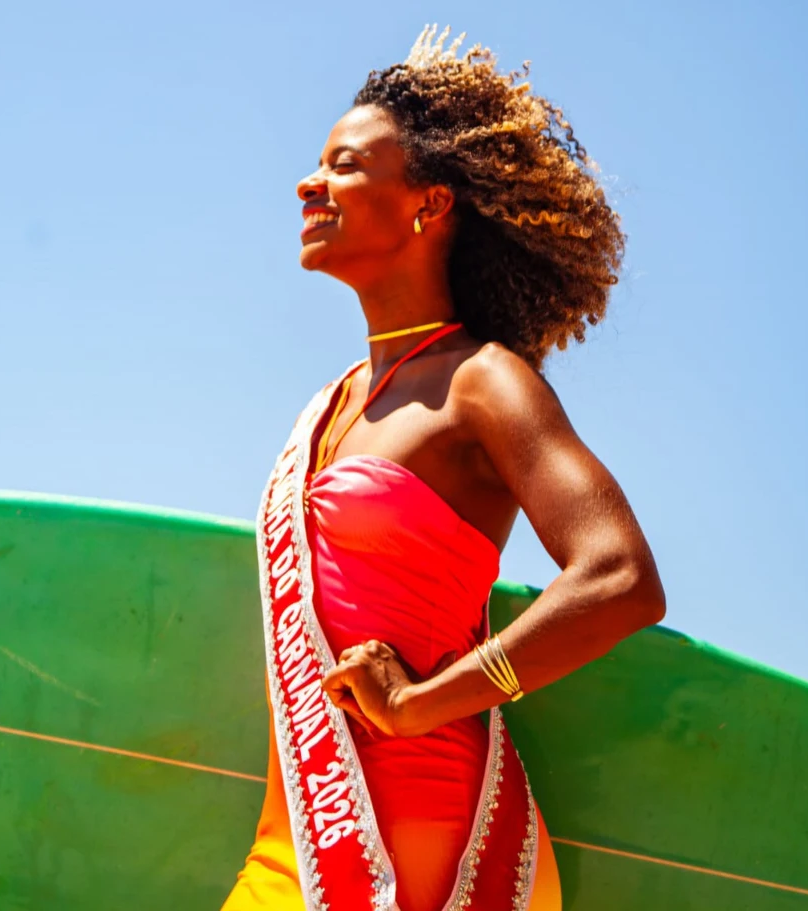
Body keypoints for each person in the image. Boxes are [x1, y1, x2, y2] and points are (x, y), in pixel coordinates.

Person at [223, 25, 665, 911]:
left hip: (437, 845)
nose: (312, 181)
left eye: (347, 166)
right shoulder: (336, 402)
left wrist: (422, 704)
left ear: (427, 207)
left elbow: (621, 578)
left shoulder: (484, 382)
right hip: (304, 839)